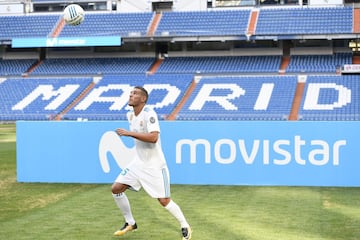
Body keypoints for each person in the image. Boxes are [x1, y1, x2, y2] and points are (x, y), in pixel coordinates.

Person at [112, 86, 192, 240]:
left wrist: (129, 133)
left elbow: (154, 137)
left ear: (143, 99)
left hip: (154, 166)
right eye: (130, 93)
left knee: (164, 201)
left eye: (134, 93)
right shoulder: (130, 115)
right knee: (116, 188)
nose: (130, 95)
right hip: (138, 163)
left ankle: (185, 225)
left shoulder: (149, 114)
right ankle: (130, 223)